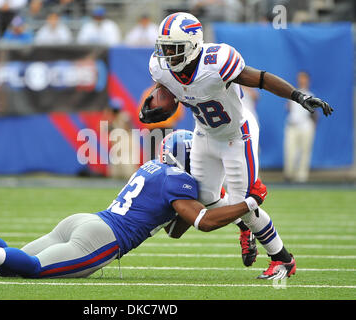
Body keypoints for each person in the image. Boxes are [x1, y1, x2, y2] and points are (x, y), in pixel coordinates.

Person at [139, 12, 333, 279]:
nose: (167, 55)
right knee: (207, 198)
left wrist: (298, 96)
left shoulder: (216, 61)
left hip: (236, 136)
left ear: (193, 45)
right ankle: (244, 226)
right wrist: (150, 109)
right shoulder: (162, 68)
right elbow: (164, 92)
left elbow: (262, 79)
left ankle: (283, 259)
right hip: (204, 134)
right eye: (164, 48)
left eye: (174, 49)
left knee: (246, 203)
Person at [0, 130, 268, 280]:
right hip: (101, 239)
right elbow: (205, 221)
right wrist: (248, 202)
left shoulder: (153, 170)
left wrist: (215, 209)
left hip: (82, 222)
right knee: (31, 268)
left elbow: (175, 230)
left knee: (10, 268)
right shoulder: (178, 182)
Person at [283, 71, 318, 183]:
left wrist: (314, 125)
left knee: (305, 151)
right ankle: (289, 174)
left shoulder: (311, 95)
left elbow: (315, 113)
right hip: (292, 125)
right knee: (290, 151)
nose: (302, 80)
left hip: (305, 126)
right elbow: (288, 108)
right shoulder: (293, 94)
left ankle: (302, 177)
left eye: (304, 78)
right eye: (300, 78)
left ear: (308, 80)